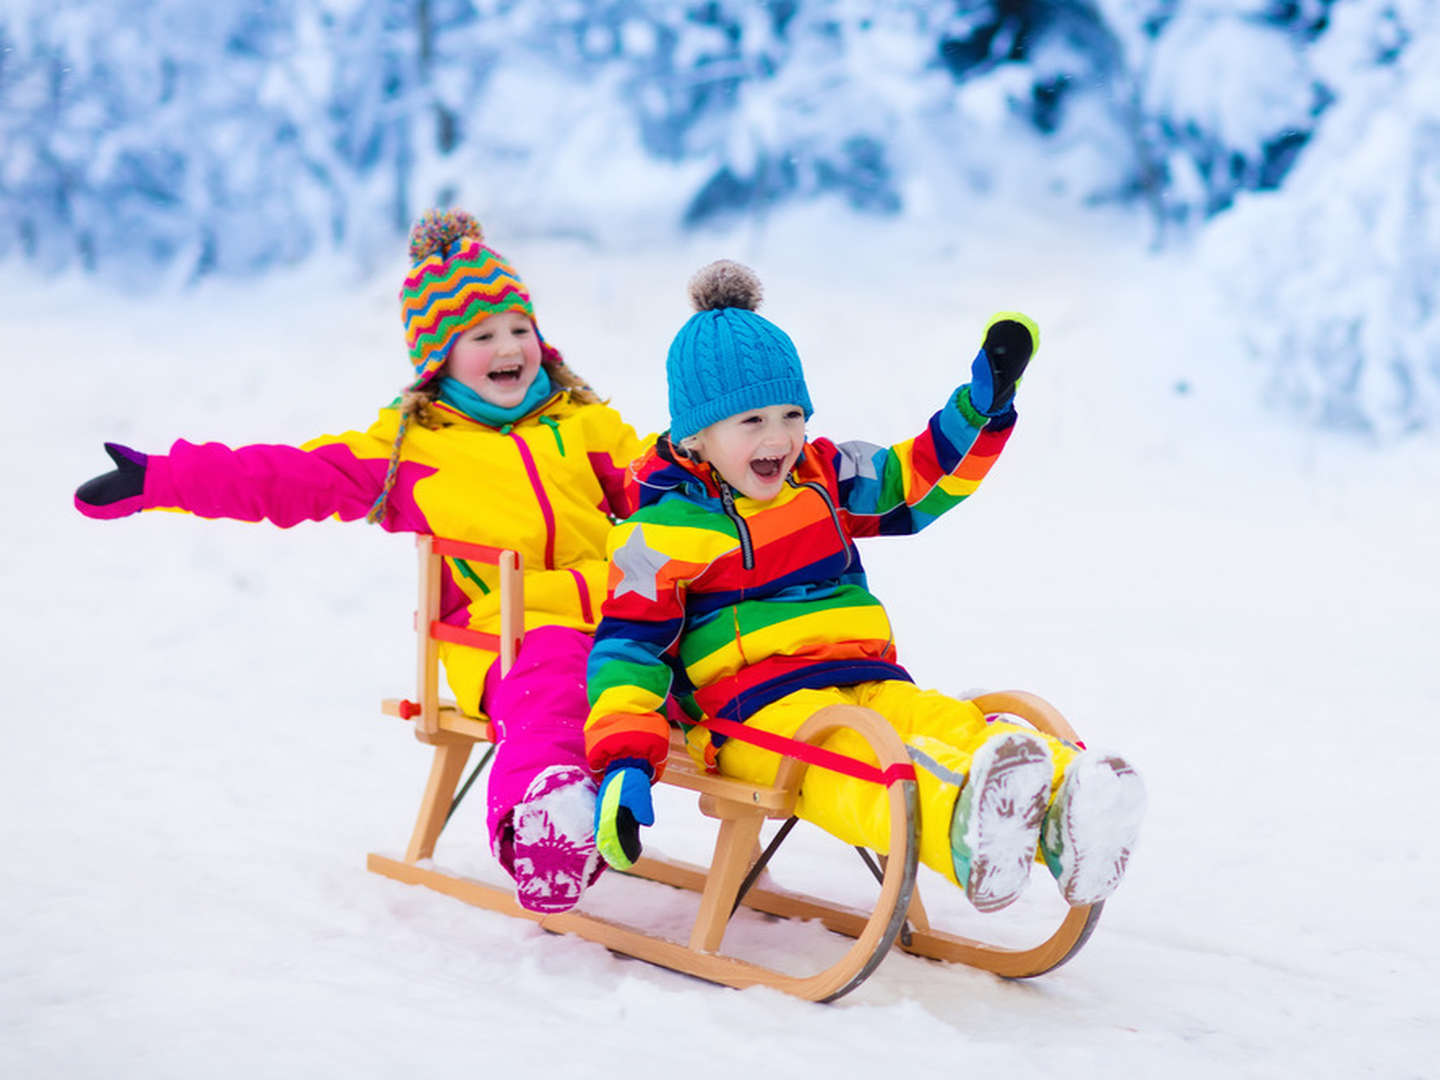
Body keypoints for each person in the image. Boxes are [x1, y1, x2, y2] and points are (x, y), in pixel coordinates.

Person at [74, 209, 651, 915]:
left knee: (700, 642)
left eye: (520, 329)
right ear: (439, 356)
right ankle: (543, 823)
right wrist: (162, 480)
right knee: (553, 679)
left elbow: (661, 486)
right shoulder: (413, 449)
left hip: (621, 619)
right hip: (508, 635)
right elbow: (288, 479)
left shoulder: (582, 422)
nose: (510, 348)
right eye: (482, 335)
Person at [584, 260, 1145, 914]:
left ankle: (1070, 804)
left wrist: (983, 408)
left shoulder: (823, 475)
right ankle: (962, 821)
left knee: (938, 720)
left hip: (865, 675)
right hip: (755, 712)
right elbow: (629, 652)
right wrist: (624, 764)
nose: (780, 438)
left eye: (792, 413)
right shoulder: (658, 534)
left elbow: (916, 480)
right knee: (851, 761)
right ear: (697, 437)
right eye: (751, 422)